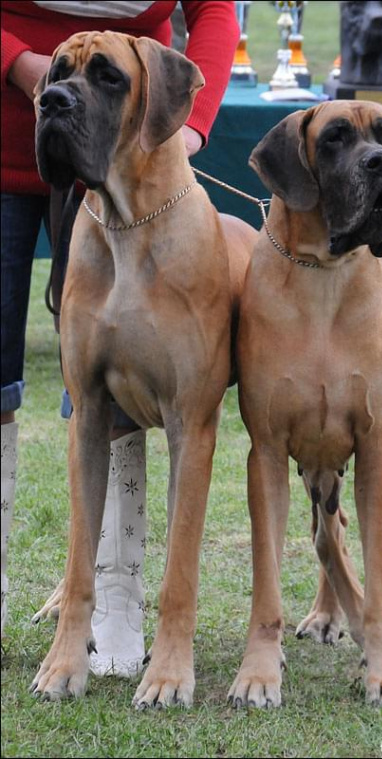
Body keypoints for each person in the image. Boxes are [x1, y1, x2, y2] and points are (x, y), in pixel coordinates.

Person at [1, 0, 240, 676]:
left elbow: (215, 9)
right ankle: (66, 616)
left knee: (114, 418)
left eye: (99, 77)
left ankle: (120, 601)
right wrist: (21, 66)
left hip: (140, 163)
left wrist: (188, 125)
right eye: (65, 82)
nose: (67, 94)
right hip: (3, 143)